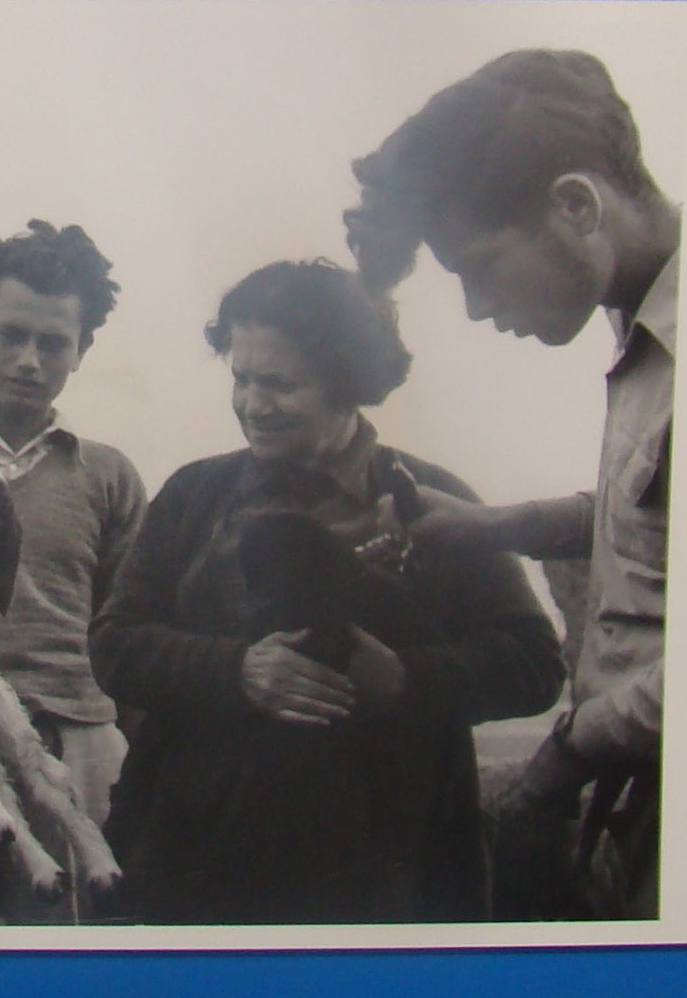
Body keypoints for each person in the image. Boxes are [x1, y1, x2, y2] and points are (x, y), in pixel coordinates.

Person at [89, 259, 565, 924]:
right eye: (241, 377)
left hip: (389, 877)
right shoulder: (193, 496)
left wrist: (404, 677)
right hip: (197, 868)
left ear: (350, 384)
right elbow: (114, 643)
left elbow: (535, 663)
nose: (252, 403)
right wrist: (236, 668)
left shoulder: (431, 499)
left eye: (279, 383)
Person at [344, 48, 680, 919]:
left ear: (574, 204)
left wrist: (560, 760)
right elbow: (676, 524)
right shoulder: (647, 329)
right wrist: (495, 527)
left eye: (479, 266)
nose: (477, 309)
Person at [0, 219, 147, 923]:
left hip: (78, 743)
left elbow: (132, 633)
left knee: (74, 934)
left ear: (82, 349)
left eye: (52, 343)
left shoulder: (107, 474)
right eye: (9, 335)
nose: (27, 360)